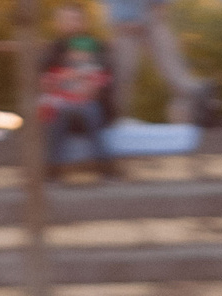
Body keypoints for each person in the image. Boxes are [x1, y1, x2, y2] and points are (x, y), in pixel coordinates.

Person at [106, 0, 204, 126]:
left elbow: (162, 8)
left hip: (152, 20)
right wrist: (119, 25)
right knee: (121, 74)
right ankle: (117, 118)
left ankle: (191, 109)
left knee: (174, 68)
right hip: (122, 26)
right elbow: (108, 9)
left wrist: (149, 19)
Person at [41, 40, 120, 183]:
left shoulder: (97, 71)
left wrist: (78, 81)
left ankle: (104, 163)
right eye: (75, 52)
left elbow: (92, 93)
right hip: (64, 109)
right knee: (57, 116)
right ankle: (52, 166)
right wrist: (64, 79)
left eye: (84, 53)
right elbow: (47, 86)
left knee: (91, 112)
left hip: (87, 108)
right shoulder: (59, 70)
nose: (79, 56)